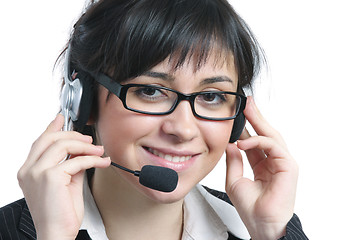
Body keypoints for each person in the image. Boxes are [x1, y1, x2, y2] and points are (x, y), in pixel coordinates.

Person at [0, 0, 308, 239]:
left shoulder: (262, 228)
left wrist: (271, 233)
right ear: (84, 100)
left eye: (212, 96)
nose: (183, 129)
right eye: (150, 91)